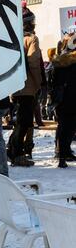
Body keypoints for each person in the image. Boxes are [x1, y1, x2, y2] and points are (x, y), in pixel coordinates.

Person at [7, 6, 42, 167]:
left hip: (13, 85)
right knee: (24, 121)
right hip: (27, 86)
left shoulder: (12, 37)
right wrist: (38, 81)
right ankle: (16, 153)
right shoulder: (31, 39)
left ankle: (13, 149)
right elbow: (33, 61)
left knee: (20, 121)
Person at [51, 33, 76, 168]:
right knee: (69, 127)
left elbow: (54, 82)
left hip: (61, 100)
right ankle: (63, 153)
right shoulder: (72, 61)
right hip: (72, 99)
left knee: (63, 127)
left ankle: (62, 154)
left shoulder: (58, 61)